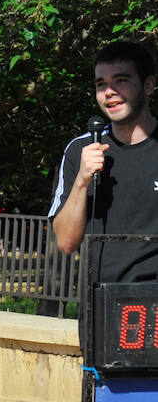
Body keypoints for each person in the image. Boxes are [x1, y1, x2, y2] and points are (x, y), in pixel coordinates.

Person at [50, 41, 158, 285]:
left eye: (121, 80)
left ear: (148, 85)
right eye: (101, 84)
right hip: (101, 305)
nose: (109, 92)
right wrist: (81, 181)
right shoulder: (80, 150)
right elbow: (66, 242)